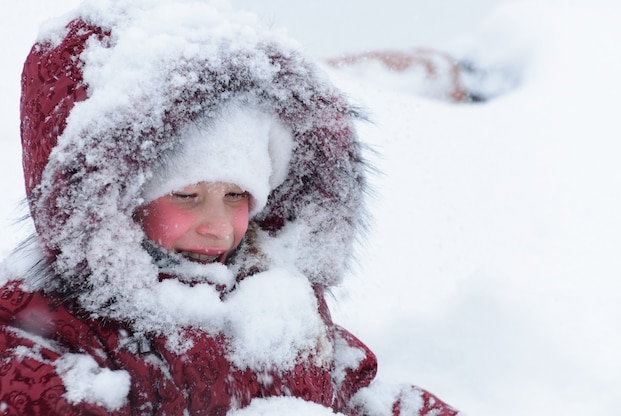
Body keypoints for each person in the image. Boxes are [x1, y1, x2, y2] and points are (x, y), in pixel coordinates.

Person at [0, 0, 460, 414]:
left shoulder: (275, 297)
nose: (219, 227)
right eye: (187, 196)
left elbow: (356, 397)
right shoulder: (46, 340)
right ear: (113, 202)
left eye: (238, 196)